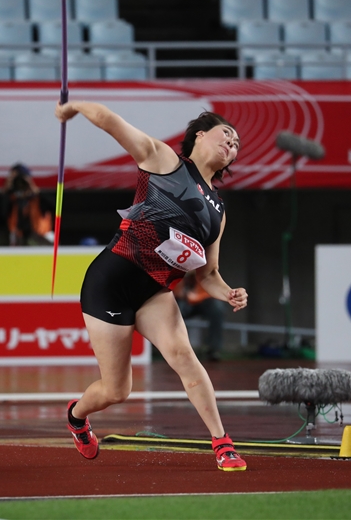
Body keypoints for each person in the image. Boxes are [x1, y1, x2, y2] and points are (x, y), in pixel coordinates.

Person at [55, 101, 248, 472]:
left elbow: (208, 274)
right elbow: (110, 121)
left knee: (183, 356)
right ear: (200, 135)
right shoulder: (164, 161)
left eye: (237, 144)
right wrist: (74, 107)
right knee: (117, 391)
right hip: (110, 283)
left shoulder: (219, 213)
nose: (232, 143)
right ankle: (77, 417)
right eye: (227, 134)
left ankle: (222, 443)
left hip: (154, 292)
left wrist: (228, 292)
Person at [174, 272, 227, 362]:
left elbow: (209, 290)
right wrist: (183, 294)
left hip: (202, 301)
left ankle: (214, 349)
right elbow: (176, 292)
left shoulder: (203, 269)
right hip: (182, 301)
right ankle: (176, 348)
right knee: (174, 312)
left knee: (217, 308)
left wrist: (195, 296)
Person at [1, 163, 54, 246]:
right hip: (16, 241)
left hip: (40, 240)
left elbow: (55, 207)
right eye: (17, 181)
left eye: (23, 181)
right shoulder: (10, 199)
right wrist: (6, 190)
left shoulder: (39, 199)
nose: (21, 185)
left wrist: (34, 189)